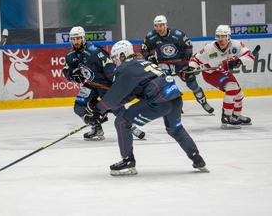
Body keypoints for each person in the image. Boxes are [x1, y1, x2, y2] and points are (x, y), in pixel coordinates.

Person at [83, 40, 207, 175]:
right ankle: (197, 158)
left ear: (123, 55)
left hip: (159, 101)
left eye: (115, 58)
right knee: (175, 129)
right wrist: (105, 109)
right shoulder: (142, 63)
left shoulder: (126, 67)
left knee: (122, 121)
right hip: (175, 98)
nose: (115, 62)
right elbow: (130, 94)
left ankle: (128, 160)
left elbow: (115, 94)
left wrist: (98, 110)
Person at [63, 26, 145, 141]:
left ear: (83, 38)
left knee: (116, 107)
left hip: (104, 85)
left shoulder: (95, 51)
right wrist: (72, 75)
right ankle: (96, 127)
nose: (76, 41)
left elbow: (110, 68)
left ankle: (131, 127)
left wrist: (115, 86)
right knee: (79, 107)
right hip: (90, 85)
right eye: (73, 39)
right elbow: (66, 71)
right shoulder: (70, 56)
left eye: (78, 38)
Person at [141, 15, 214, 114]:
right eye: (156, 26)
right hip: (164, 63)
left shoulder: (177, 34)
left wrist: (185, 61)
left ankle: (203, 102)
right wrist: (150, 57)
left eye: (161, 25)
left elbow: (188, 46)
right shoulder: (151, 36)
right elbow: (144, 49)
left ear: (166, 25)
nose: (159, 28)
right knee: (167, 85)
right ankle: (176, 105)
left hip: (180, 62)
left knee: (192, 82)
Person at [189, 25, 255, 129]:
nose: (220, 39)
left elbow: (250, 56)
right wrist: (191, 68)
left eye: (223, 36)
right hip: (211, 74)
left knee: (239, 94)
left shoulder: (236, 45)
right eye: (218, 36)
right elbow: (196, 59)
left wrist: (239, 60)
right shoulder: (209, 48)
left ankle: (236, 116)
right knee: (232, 88)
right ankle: (226, 116)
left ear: (228, 36)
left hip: (223, 72)